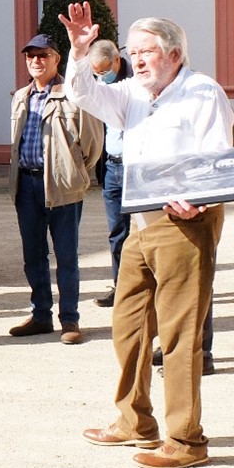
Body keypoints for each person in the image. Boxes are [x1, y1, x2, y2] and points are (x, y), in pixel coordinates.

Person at [63, 5, 234, 468]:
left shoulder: (202, 93)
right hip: (141, 221)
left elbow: (220, 158)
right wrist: (79, 51)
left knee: (179, 337)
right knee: (129, 323)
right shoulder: (133, 93)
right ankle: (135, 422)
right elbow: (80, 93)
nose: (137, 60)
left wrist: (198, 199)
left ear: (175, 54)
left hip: (184, 224)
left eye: (148, 52)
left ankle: (186, 439)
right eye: (132, 52)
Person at [8, 34, 102, 345]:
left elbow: (92, 144)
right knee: (33, 256)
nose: (36, 61)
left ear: (56, 59)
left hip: (62, 187)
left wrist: (74, 172)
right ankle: (40, 315)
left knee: (66, 257)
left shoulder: (73, 94)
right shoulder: (20, 97)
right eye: (30, 56)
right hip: (27, 186)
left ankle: (70, 319)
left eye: (42, 55)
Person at [87, 39, 133, 308]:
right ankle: (121, 288)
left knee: (141, 231)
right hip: (112, 166)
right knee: (117, 232)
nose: (101, 77)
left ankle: (143, 290)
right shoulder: (100, 85)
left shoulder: (135, 83)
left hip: (135, 167)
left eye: (104, 71)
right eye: (96, 73)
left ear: (117, 60)